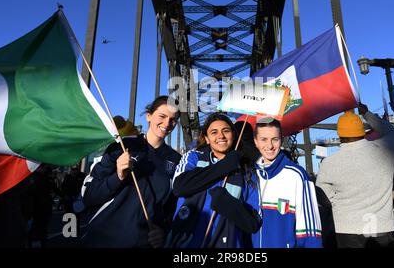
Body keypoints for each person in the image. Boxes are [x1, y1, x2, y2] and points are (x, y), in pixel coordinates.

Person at [81, 95, 181, 248]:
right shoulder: (122, 146)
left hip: (143, 244)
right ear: (149, 116)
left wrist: (163, 231)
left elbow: (172, 207)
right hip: (101, 240)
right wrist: (118, 176)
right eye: (162, 116)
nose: (167, 123)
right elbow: (89, 196)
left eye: (173, 119)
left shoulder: (176, 160)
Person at [166, 113, 262, 248]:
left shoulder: (247, 171)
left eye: (226, 131)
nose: (221, 136)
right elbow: (179, 187)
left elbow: (253, 222)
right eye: (214, 132)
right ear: (206, 138)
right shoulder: (194, 157)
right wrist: (225, 166)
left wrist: (229, 205)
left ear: (233, 135)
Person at [316, 103, 394, 248]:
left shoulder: (329, 163)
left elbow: (323, 197)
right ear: (362, 131)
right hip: (382, 229)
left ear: (339, 134)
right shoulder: (386, 151)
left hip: (347, 231)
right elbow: (391, 132)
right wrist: (367, 114)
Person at [250, 118, 323, 248]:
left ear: (281, 140)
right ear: (255, 142)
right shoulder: (249, 174)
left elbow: (309, 230)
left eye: (275, 139)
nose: (270, 145)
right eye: (264, 139)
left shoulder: (297, 175)